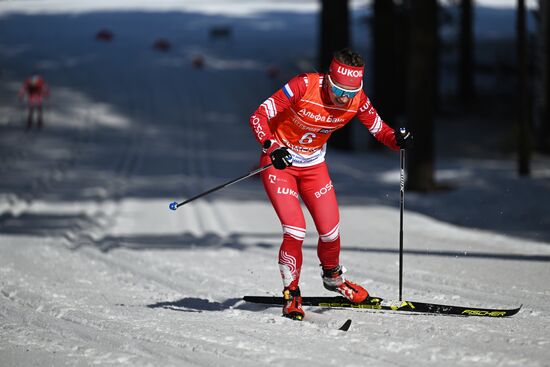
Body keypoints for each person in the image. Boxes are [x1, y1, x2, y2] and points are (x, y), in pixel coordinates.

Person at [247, 48, 413, 321]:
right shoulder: (304, 85)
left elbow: (381, 131)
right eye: (339, 90)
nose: (344, 97)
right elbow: (258, 116)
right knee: (295, 231)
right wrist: (271, 146)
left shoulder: (356, 98)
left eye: (351, 92)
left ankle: (334, 279)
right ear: (328, 79)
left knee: (330, 232)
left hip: (314, 167)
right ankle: (291, 294)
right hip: (281, 164)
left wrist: (398, 139)